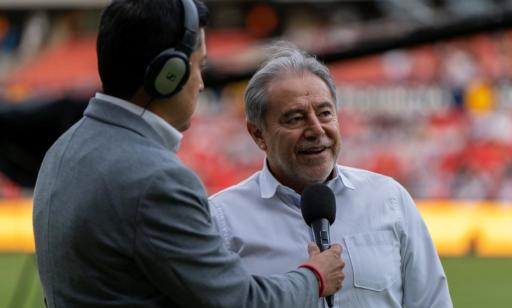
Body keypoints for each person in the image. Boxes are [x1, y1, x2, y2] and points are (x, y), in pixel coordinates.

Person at [32, 1, 345, 307]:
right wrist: (314, 277)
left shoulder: (62, 148)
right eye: (200, 66)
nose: (201, 83)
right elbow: (238, 300)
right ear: (169, 74)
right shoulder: (156, 179)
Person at [209, 43, 453, 308]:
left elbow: (432, 302)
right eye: (295, 118)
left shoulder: (389, 199)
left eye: (325, 113)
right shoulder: (222, 220)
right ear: (258, 134)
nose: (316, 129)